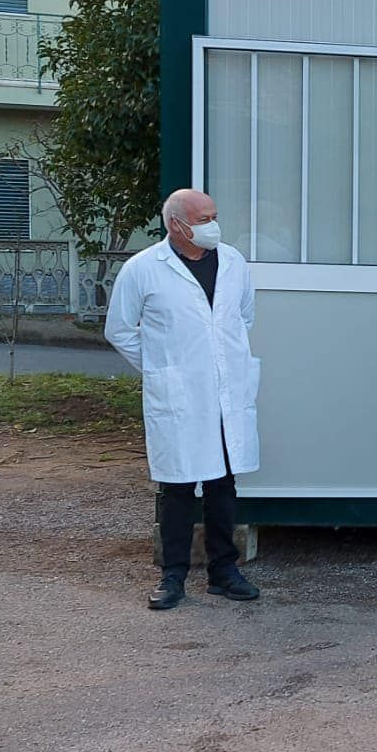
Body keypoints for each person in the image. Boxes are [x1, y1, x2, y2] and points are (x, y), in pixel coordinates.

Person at [105, 188, 262, 611]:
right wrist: (162, 368)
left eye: (214, 215)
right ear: (176, 225)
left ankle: (224, 571)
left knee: (222, 483)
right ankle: (173, 575)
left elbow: (244, 316)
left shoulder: (233, 262)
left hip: (225, 391)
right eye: (204, 219)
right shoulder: (143, 269)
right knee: (177, 485)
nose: (214, 225)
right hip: (178, 395)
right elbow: (119, 329)